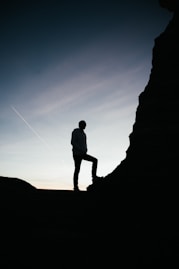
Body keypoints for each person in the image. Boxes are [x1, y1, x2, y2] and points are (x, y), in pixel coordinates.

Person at [71, 120, 101, 191]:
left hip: (83, 154)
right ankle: (75, 186)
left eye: (85, 125)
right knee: (77, 169)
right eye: (84, 125)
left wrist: (86, 149)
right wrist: (80, 149)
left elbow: (84, 143)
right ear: (80, 125)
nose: (85, 126)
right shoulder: (75, 131)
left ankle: (94, 177)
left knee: (95, 160)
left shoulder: (84, 134)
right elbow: (73, 142)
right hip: (77, 154)